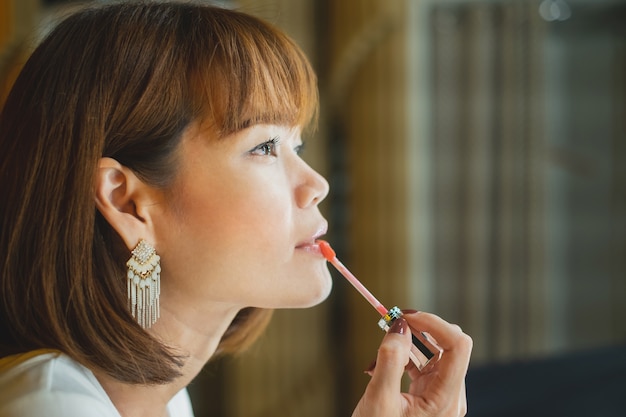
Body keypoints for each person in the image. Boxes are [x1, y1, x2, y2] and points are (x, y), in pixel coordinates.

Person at [0, 2, 472, 416]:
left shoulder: (163, 401)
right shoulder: (48, 406)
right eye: (265, 146)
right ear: (127, 201)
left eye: (297, 145)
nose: (317, 184)